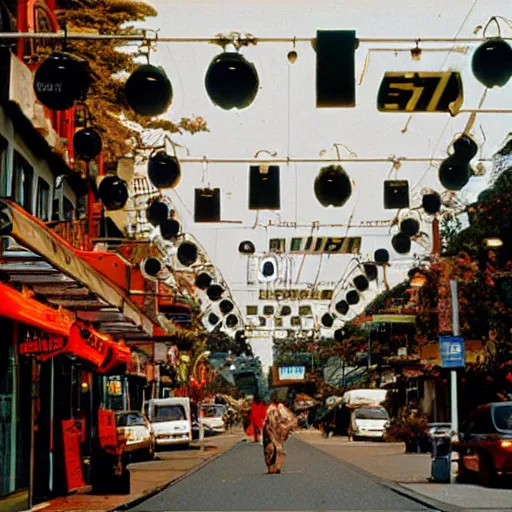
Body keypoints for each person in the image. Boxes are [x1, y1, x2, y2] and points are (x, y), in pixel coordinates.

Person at [262, 393, 298, 474]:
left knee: (275, 448)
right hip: (272, 430)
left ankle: (275, 467)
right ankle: (273, 467)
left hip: (274, 430)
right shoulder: (274, 408)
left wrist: (285, 427)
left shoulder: (278, 408)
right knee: (273, 448)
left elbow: (289, 420)